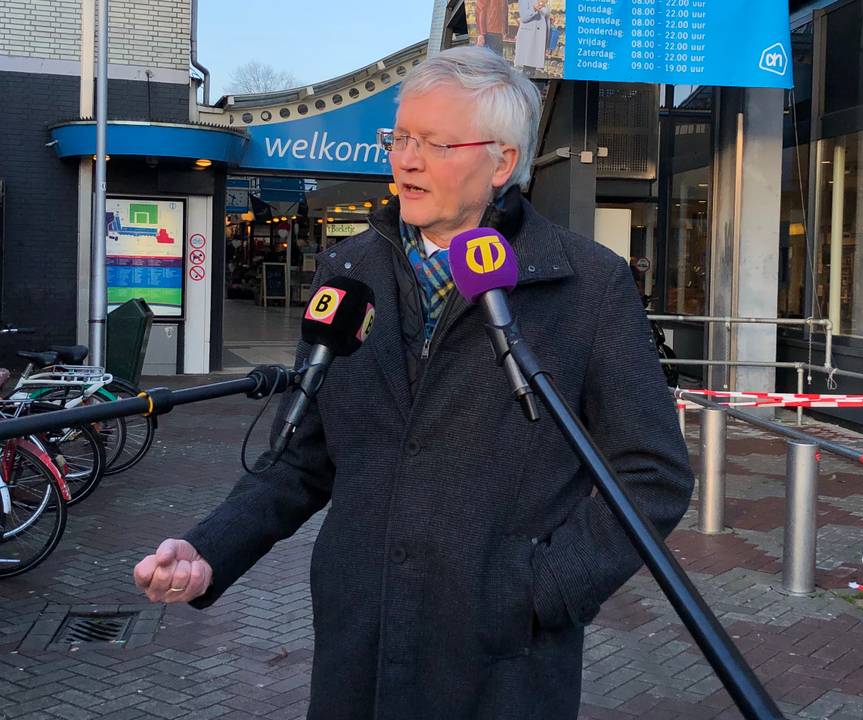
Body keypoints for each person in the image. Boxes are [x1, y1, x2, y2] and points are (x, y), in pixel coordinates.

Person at [132, 46, 693, 719]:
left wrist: (543, 589)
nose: (407, 159)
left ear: (503, 162)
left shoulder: (587, 285)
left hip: (502, 662)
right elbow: (304, 457)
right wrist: (206, 550)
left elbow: (652, 472)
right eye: (400, 137)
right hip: (358, 643)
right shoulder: (348, 269)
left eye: (436, 142)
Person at [513, 0, 549, 74]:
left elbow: (544, 17)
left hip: (538, 39)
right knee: (525, 72)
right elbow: (524, 17)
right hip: (529, 39)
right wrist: (534, 9)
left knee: (532, 71)